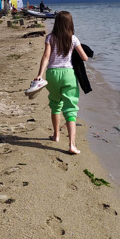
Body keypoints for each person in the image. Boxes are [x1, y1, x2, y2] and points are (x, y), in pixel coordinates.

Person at [34, 11, 89, 154]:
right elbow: (84, 58)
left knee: (55, 104)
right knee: (70, 108)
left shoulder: (50, 37)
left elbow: (46, 56)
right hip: (68, 74)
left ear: (56, 23)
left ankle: (56, 135)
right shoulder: (73, 39)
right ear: (70, 23)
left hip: (52, 74)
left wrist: (40, 75)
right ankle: (71, 145)